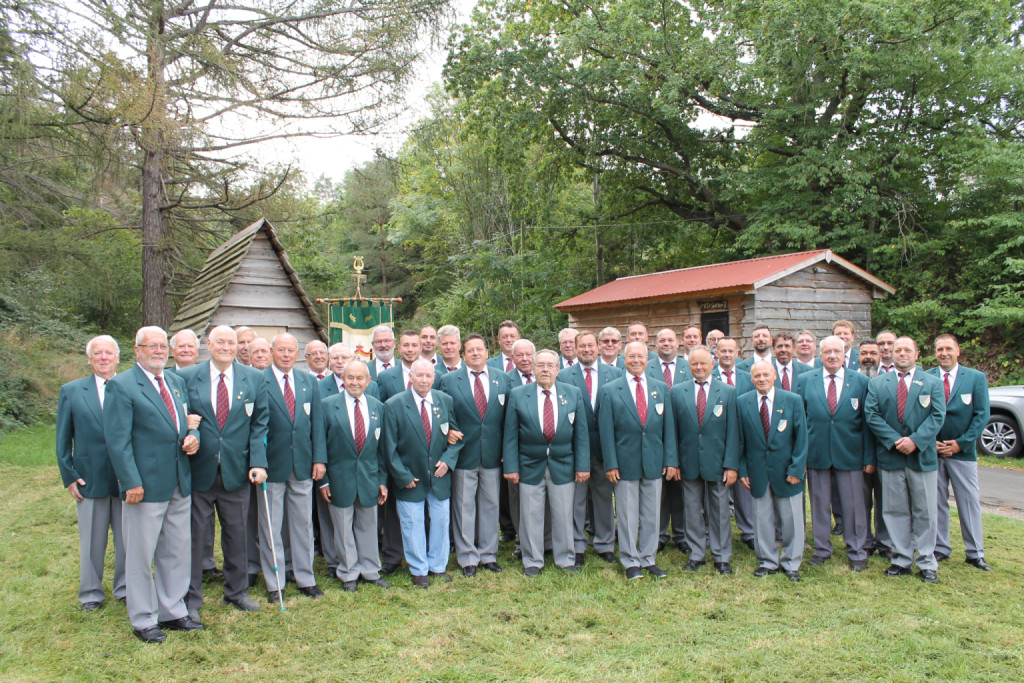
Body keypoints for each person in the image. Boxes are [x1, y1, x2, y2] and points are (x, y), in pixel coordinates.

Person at [104, 326, 202, 643]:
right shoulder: (122, 386)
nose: (159, 351)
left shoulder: (175, 382)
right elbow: (117, 441)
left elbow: (186, 421)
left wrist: (193, 436)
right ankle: (144, 618)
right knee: (140, 554)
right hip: (144, 486)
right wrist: (130, 482)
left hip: (178, 479)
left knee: (176, 550)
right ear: (137, 350)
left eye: (162, 346)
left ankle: (172, 610)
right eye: (152, 346)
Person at [178, 325, 269, 618]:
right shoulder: (187, 377)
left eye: (232, 342)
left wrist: (258, 462)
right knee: (195, 537)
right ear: (209, 344)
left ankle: (237, 592)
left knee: (237, 534)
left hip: (237, 470)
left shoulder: (254, 378)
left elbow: (259, 424)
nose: (227, 347)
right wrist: (188, 431)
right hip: (199, 469)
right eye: (221, 342)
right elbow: (180, 417)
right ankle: (191, 598)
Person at [864, 336, 946, 583]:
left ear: (917, 354)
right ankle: (900, 559)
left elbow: (937, 415)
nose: (902, 353)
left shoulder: (932, 383)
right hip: (891, 456)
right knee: (894, 510)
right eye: (898, 349)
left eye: (907, 350)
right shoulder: (878, 384)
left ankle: (927, 561)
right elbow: (872, 415)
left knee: (925, 511)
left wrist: (915, 441)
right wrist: (896, 441)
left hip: (921, 457)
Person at [504, 349, 590, 576]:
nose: (545, 369)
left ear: (557, 369)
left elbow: (581, 434)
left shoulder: (572, 393)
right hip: (529, 465)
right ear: (533, 369)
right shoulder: (518, 394)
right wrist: (511, 467)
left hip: (563, 464)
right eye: (540, 365)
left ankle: (566, 558)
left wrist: (582, 466)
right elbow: (510, 435)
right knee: (530, 515)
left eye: (550, 365)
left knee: (563, 514)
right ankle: (532, 560)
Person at [598, 342, 679, 580]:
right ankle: (630, 561)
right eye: (631, 356)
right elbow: (606, 431)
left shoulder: (660, 388)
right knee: (627, 514)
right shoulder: (610, 390)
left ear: (647, 359)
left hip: (654, 461)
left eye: (640, 356)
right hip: (624, 463)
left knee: (652, 514)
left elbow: (668, 428)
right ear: (624, 359)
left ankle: (648, 558)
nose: (636, 360)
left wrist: (670, 460)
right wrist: (611, 463)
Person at [56, 335, 126, 611]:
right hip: (90, 476)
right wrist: (69, 474)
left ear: (118, 357)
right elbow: (63, 438)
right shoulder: (72, 391)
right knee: (92, 541)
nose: (103, 357)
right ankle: (90, 593)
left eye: (109, 352)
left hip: (126, 478)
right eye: (97, 353)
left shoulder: (130, 388)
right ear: (89, 359)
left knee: (128, 539)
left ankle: (126, 587)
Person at [794, 336, 873, 571]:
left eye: (837, 351)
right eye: (827, 352)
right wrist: (801, 456)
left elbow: (867, 423)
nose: (832, 356)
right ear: (820, 355)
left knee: (853, 506)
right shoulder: (805, 380)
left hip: (850, 455)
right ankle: (821, 549)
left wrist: (868, 457)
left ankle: (857, 550)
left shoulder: (860, 381)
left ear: (844, 354)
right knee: (819, 505)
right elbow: (800, 421)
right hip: (816, 455)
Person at [258, 332, 327, 602]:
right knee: (271, 526)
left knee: (303, 525)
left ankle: (305, 578)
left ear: (297, 354)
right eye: (281, 350)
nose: (286, 355)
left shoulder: (308, 381)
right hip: (272, 466)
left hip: (302, 465)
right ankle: (275, 582)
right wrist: (258, 463)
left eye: (291, 350)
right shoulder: (259, 380)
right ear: (272, 352)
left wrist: (319, 459)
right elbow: (256, 427)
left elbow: (317, 424)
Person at [384, 359, 463, 587]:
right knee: (412, 523)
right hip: (411, 476)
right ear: (411, 377)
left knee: (441, 521)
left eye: (429, 376)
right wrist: (402, 475)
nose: (424, 380)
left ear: (434, 378)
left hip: (439, 475)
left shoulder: (445, 401)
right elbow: (389, 447)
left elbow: (456, 437)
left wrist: (448, 461)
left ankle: (438, 566)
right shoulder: (394, 404)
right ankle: (419, 569)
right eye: (419, 375)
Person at [440, 334, 510, 576]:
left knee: (491, 505)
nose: (475, 353)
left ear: (487, 352)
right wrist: (449, 432)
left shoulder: (503, 379)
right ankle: (468, 557)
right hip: (464, 453)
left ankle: (488, 554)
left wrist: (507, 451)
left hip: (493, 454)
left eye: (479, 349)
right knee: (464, 507)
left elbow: (508, 419)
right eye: (470, 350)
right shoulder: (449, 381)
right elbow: (444, 414)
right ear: (464, 355)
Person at [320, 360, 391, 591]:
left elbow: (382, 450)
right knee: (342, 528)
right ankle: (348, 572)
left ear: (368, 381)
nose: (355, 382)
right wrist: (323, 481)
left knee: (369, 526)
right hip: (338, 479)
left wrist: (382, 481)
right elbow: (319, 445)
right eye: (350, 377)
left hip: (369, 478)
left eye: (360, 378)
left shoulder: (377, 407)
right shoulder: (327, 406)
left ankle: (370, 570)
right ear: (343, 379)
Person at [670, 346, 739, 575]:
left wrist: (731, 465)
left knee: (719, 510)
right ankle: (696, 553)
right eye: (694, 364)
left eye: (703, 363)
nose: (699, 368)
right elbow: (672, 431)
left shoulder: (728, 392)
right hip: (688, 462)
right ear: (688, 366)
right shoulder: (677, 392)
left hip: (718, 463)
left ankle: (721, 556)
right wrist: (674, 462)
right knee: (691, 510)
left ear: (712, 364)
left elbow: (733, 432)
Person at [736, 360, 808, 582]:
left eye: (766, 374)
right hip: (757, 471)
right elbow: (740, 440)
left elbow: (802, 438)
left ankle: (791, 563)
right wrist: (742, 470)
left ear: (774, 375)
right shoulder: (743, 402)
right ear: (751, 379)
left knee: (791, 519)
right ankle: (767, 561)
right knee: (762, 518)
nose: (762, 379)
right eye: (757, 376)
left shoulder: (793, 400)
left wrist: (797, 468)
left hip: (787, 471)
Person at [927, 334, 991, 570]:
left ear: (958, 351)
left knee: (968, 501)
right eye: (939, 349)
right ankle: (940, 547)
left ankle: (975, 552)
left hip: (962, 452)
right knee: (936, 502)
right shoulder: (926, 377)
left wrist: (961, 443)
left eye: (948, 349)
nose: (944, 353)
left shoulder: (975, 378)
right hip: (933, 452)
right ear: (934, 352)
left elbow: (982, 414)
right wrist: (930, 442)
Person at [558, 331, 621, 566]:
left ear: (598, 347)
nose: (586, 350)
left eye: (590, 345)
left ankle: (604, 543)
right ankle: (577, 545)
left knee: (604, 497)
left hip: (605, 448)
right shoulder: (564, 376)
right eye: (582, 346)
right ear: (575, 348)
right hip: (575, 449)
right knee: (576, 500)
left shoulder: (615, 374)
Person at [647, 328, 688, 554]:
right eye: (662, 340)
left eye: (670, 340)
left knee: (680, 490)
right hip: (654, 435)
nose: (666, 343)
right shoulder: (648, 367)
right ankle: (660, 534)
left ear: (678, 342)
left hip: (683, 435)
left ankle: (681, 534)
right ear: (656, 343)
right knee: (659, 491)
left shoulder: (688, 367)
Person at [857, 339, 891, 559]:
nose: (868, 357)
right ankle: (865, 541)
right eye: (864, 353)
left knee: (886, 501)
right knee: (861, 502)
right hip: (857, 453)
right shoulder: (853, 381)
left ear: (880, 356)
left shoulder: (889, 382)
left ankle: (885, 541)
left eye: (873, 353)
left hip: (886, 451)